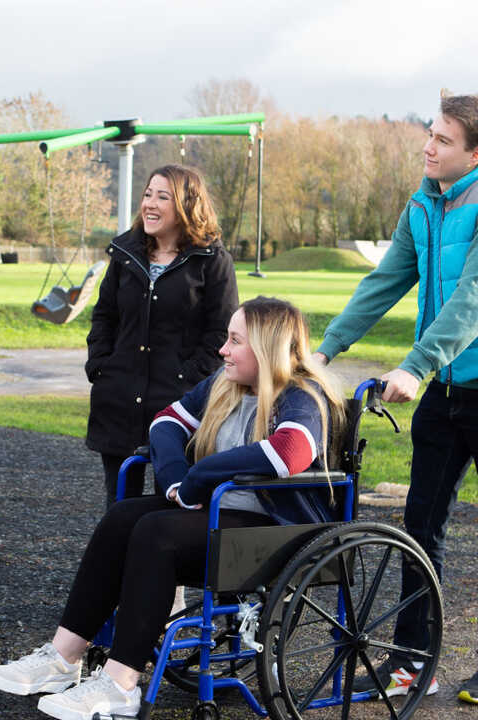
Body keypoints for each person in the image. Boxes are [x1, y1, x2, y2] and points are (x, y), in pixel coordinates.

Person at [0, 297, 346, 720]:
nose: (223, 350)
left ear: (267, 349)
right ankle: (64, 656)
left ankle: (120, 684)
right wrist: (178, 475)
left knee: (157, 534)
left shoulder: (302, 393)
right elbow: (165, 422)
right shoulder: (225, 383)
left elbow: (291, 451)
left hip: (273, 528)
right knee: (122, 517)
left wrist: (202, 475)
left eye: (235, 341)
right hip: (221, 513)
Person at [314, 93, 478, 703]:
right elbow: (384, 281)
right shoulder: (423, 203)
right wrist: (324, 351)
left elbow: (473, 297)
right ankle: (415, 660)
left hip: (457, 377)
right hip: (448, 390)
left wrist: (414, 365)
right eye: (429, 135)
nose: (427, 147)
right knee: (419, 526)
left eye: (441, 140)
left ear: (474, 152)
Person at [85, 164, 239, 508]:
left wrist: (187, 380)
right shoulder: (125, 255)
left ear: (187, 205)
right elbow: (104, 315)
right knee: (119, 501)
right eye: (147, 194)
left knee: (170, 503)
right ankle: (118, 563)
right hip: (120, 396)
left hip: (178, 403)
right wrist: (101, 366)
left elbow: (222, 332)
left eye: (163, 197)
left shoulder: (212, 261)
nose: (150, 204)